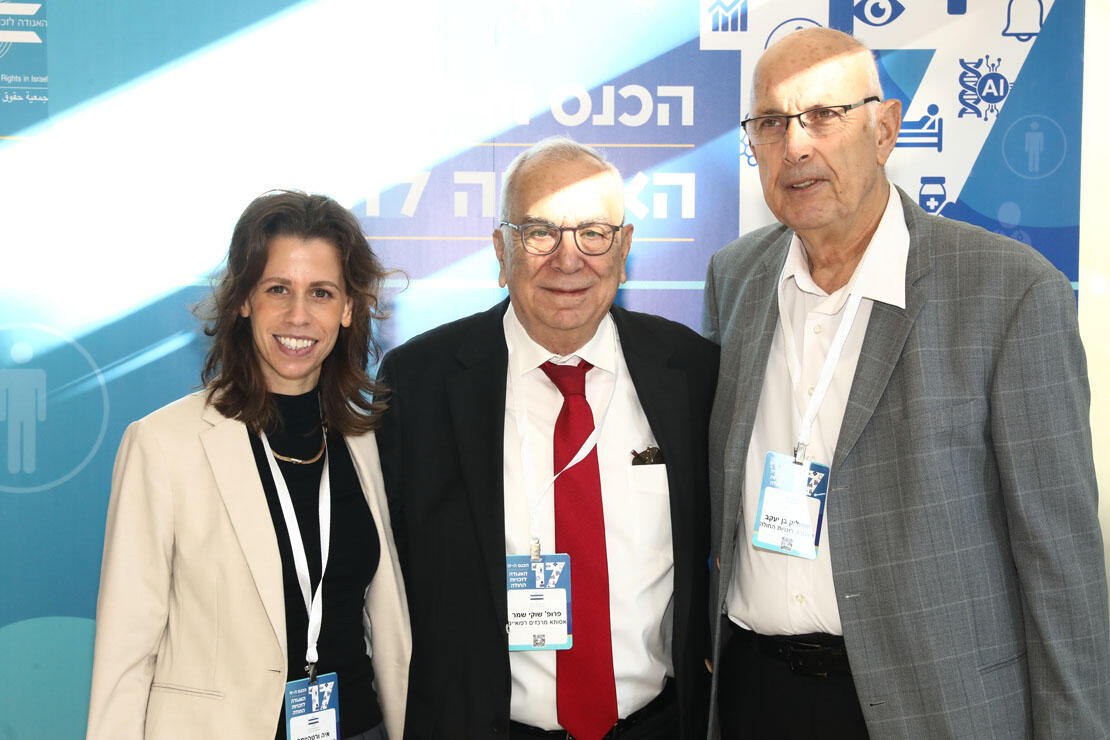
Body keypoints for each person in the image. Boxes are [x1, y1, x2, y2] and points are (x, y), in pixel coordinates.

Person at [703, 28, 1109, 739]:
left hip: (932, 706)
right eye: (771, 122)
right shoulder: (734, 277)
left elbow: (1061, 563)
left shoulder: (1010, 292)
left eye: (823, 116)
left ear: (885, 129)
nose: (795, 146)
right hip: (753, 696)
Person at [376, 136, 718, 739]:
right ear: (501, 250)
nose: (568, 259)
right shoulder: (419, 384)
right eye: (540, 233)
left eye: (593, 233)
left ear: (624, 248)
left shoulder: (691, 372)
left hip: (659, 726)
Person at [87, 191, 410, 740]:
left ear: (348, 309)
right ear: (243, 300)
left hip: (361, 726)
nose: (298, 315)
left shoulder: (367, 442)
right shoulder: (163, 445)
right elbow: (125, 652)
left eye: (321, 293)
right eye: (277, 289)